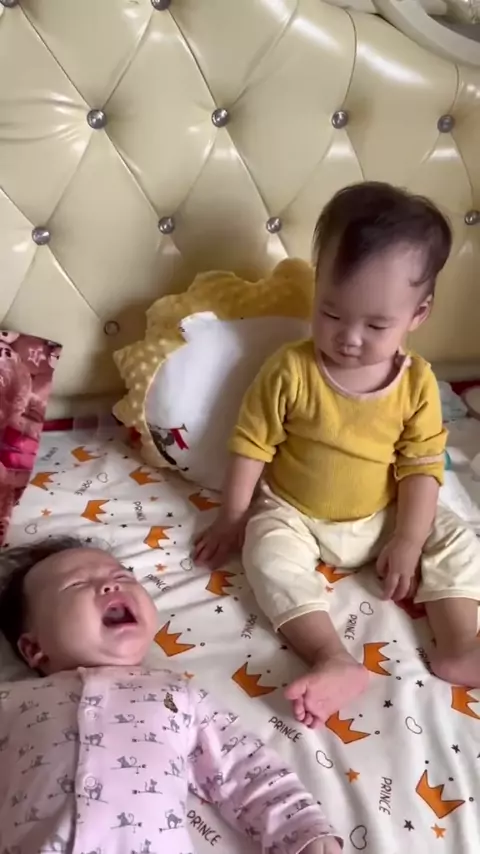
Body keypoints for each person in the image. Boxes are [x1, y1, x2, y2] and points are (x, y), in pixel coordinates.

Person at [194, 181, 480, 730]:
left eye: (375, 325)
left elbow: (422, 467)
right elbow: (252, 444)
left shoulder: (416, 383)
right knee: (265, 553)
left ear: (418, 314)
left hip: (384, 513)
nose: (348, 337)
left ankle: (459, 643)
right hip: (295, 512)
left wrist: (409, 539)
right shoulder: (291, 369)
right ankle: (331, 655)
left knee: (456, 537)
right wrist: (233, 514)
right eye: (330, 313)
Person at [0, 537, 341, 854]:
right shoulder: (14, 700)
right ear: (33, 648)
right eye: (75, 585)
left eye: (122, 576)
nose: (110, 586)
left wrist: (302, 828)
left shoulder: (175, 695)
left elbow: (242, 768)